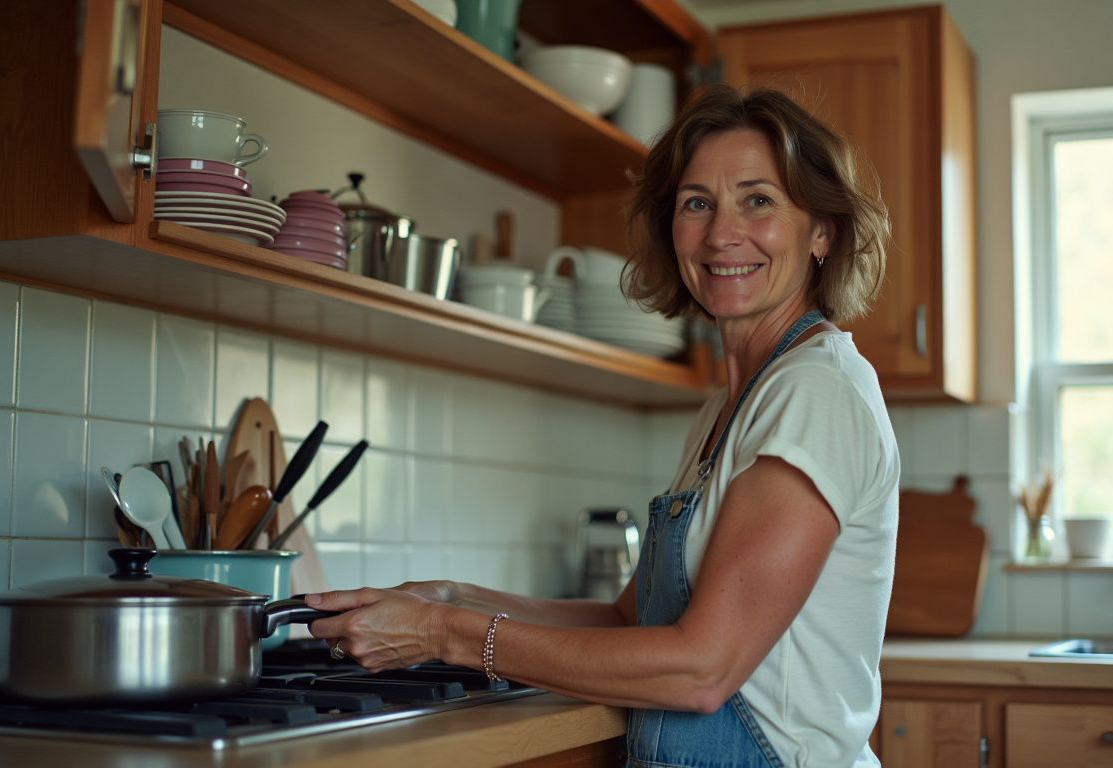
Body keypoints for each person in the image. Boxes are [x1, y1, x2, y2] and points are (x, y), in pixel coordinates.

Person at [305, 84, 899, 767]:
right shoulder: (733, 407)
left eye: (758, 200)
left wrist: (448, 634)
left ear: (821, 230)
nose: (721, 233)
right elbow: (629, 618)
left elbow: (701, 670)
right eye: (696, 203)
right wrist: (452, 595)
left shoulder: (815, 391)